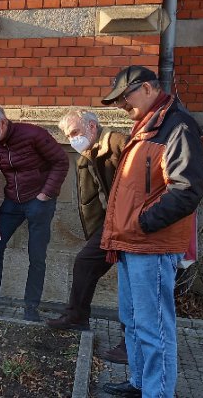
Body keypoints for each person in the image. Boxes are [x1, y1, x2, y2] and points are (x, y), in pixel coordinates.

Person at [98, 66, 203, 398]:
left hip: (152, 245)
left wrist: (142, 222)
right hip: (133, 243)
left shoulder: (177, 127)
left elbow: (186, 191)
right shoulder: (148, 125)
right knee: (132, 322)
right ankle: (140, 384)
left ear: (146, 88)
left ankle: (157, 393)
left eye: (124, 97)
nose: (120, 106)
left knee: (154, 328)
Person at [0, 102, 69, 322]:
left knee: (36, 254)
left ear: (2, 122)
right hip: (13, 200)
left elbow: (61, 161)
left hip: (40, 200)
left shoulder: (33, 134)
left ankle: (31, 307)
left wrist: (45, 195)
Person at [46, 108, 131, 363]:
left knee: (132, 282)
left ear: (92, 128)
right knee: (85, 262)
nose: (72, 139)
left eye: (75, 133)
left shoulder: (118, 143)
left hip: (132, 223)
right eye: (68, 135)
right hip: (110, 224)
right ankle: (77, 316)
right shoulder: (86, 154)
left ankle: (132, 342)